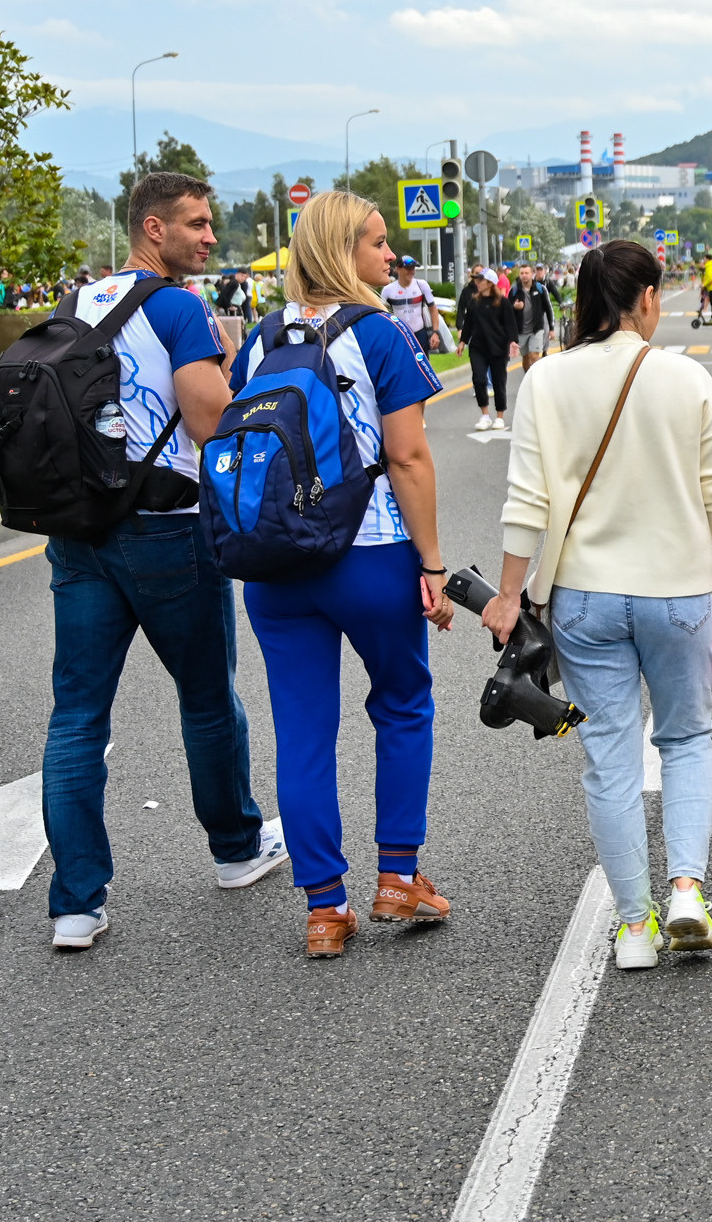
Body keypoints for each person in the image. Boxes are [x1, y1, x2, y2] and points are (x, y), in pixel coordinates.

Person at [40, 172, 288, 950]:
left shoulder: (75, 302)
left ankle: (76, 902)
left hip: (80, 529)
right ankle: (236, 850)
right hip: (167, 528)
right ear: (154, 228)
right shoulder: (177, 307)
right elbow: (212, 420)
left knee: (77, 715)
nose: (211, 237)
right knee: (209, 698)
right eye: (198, 224)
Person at [485, 240, 712, 970]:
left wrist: (510, 594)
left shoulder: (544, 380)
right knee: (689, 737)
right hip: (678, 590)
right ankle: (688, 890)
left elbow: (526, 503)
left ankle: (635, 926)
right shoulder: (686, 378)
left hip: (585, 597)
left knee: (608, 756)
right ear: (644, 300)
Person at [232, 191, 456, 958]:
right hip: (370, 551)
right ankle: (399, 874)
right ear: (340, 249)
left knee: (301, 730)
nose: (388, 256)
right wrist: (431, 561)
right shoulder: (382, 333)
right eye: (375, 243)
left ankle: (324, 908)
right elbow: (409, 456)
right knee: (402, 703)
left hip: (276, 560)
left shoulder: (261, 336)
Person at [456, 269, 520, 431]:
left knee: (499, 382)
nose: (477, 283)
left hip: (498, 347)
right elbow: (468, 324)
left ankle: (499, 416)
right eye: (476, 280)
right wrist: (463, 342)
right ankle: (485, 415)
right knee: (479, 379)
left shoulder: (503, 303)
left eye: (480, 280)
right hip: (478, 347)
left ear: (490, 283)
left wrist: (513, 342)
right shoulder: (474, 302)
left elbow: (510, 324)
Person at [382, 257, 442, 353]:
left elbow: (433, 309)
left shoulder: (421, 285)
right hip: (399, 335)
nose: (411, 272)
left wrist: (435, 332)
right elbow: (382, 315)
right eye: (408, 269)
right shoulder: (388, 290)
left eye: (413, 269)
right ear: (398, 269)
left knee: (422, 366)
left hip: (420, 334)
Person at [519, 264, 559, 371]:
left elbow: (549, 307)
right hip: (521, 329)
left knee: (534, 356)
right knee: (526, 357)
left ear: (532, 274)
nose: (524, 276)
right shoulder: (515, 291)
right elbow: (508, 312)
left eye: (526, 273)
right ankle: (528, 377)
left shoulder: (541, 288)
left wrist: (551, 328)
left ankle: (536, 380)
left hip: (537, 327)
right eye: (522, 273)